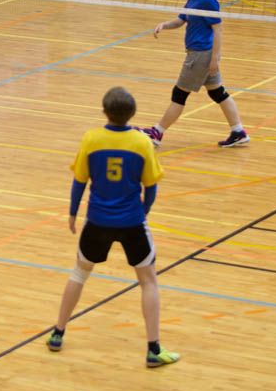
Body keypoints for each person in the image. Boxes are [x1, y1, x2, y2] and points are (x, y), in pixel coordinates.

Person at [46, 86, 180, 368]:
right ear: (133, 113)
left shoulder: (92, 139)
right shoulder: (142, 142)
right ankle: (153, 349)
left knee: (79, 273)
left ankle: (58, 333)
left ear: (104, 111)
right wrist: (144, 211)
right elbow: (151, 186)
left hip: (97, 220)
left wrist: (72, 212)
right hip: (132, 222)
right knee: (148, 281)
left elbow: (79, 180)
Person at [139, 0, 248, 148]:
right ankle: (238, 132)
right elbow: (181, 20)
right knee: (217, 93)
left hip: (200, 55)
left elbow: (218, 30)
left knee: (179, 94)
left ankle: (157, 132)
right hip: (201, 54)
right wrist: (164, 25)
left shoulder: (208, 0)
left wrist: (215, 59)